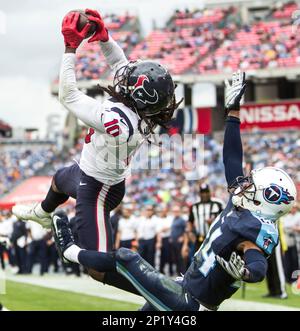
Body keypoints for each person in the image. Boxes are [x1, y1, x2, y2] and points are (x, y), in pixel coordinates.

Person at [51, 71, 297, 311]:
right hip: (184, 288)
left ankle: (71, 251)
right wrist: (233, 112)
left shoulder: (256, 229)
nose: (246, 184)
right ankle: (79, 256)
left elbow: (257, 264)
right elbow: (232, 158)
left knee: (127, 258)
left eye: (253, 186)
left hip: (191, 304)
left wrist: (247, 272)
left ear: (267, 200)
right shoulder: (245, 203)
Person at [12, 9, 181, 283]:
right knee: (58, 180)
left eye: (131, 82)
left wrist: (69, 48)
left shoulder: (119, 122)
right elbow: (120, 64)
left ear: (137, 96)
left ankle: (161, 290)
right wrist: (105, 39)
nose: (124, 77)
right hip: (86, 173)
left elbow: (68, 95)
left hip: (99, 189)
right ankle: (43, 213)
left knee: (98, 269)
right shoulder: (140, 109)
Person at [182, 184, 224, 258]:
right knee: (199, 259)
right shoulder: (194, 206)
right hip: (200, 238)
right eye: (202, 193)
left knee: (215, 258)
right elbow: (190, 221)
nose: (204, 195)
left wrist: (214, 222)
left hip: (215, 237)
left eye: (206, 192)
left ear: (209, 193)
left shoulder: (218, 204)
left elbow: (224, 219)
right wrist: (190, 232)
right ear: (199, 194)